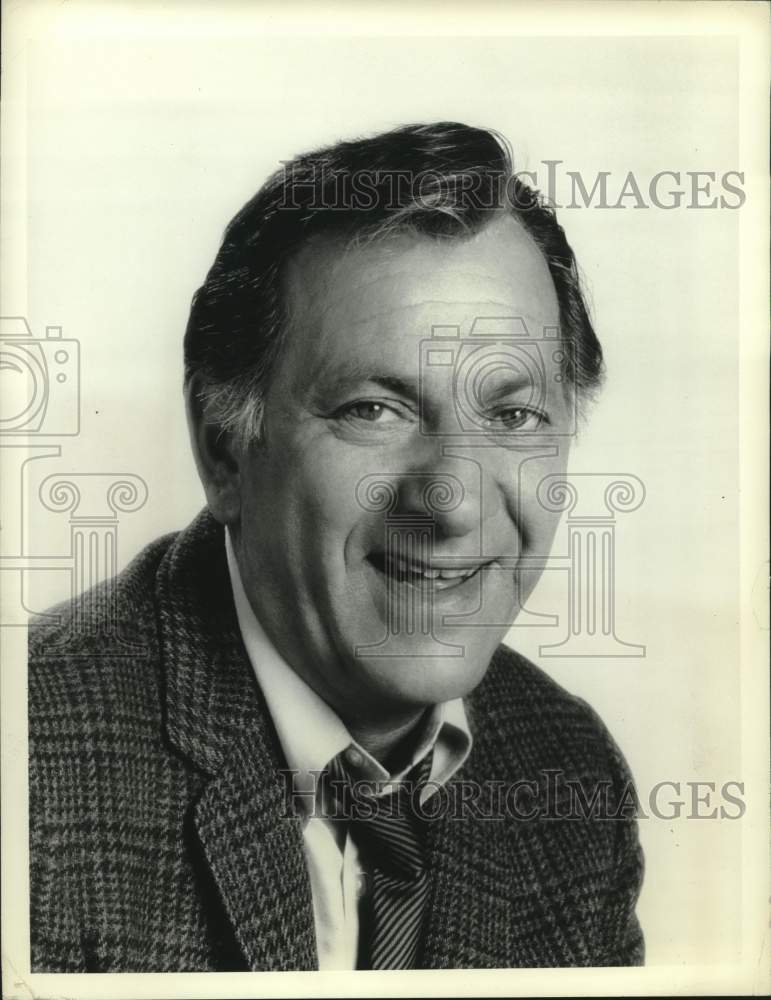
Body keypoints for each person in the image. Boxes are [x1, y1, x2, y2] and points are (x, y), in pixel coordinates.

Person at [28, 121, 644, 972]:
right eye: (372, 409)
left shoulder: (567, 771)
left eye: (511, 415)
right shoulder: (30, 770)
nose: (454, 500)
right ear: (223, 450)